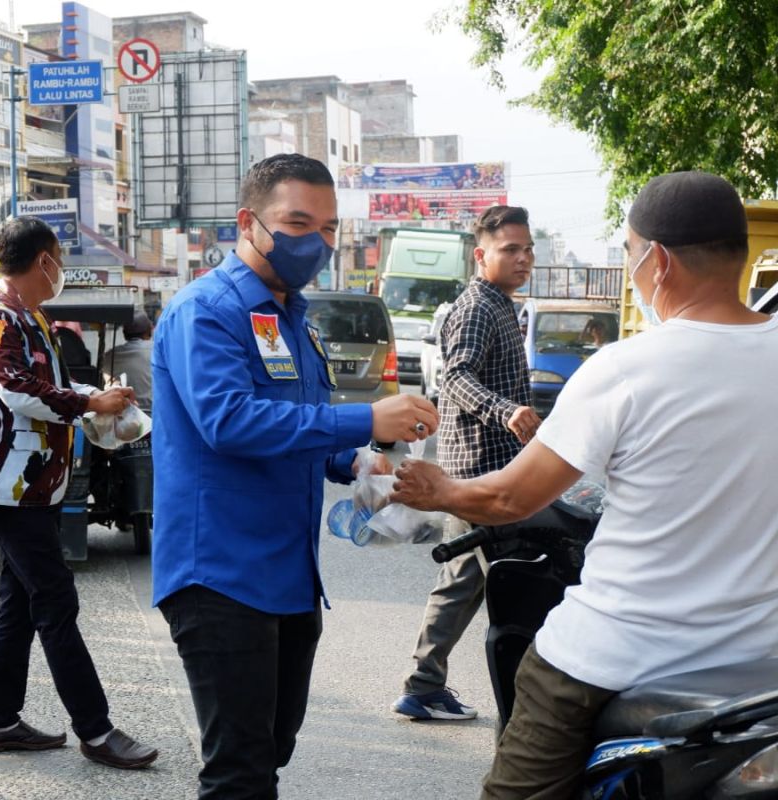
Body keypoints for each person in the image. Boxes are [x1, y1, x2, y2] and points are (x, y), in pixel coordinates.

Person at [391, 171, 778, 798]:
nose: (631, 269)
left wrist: (439, 490)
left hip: (617, 653)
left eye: (628, 253)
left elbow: (510, 498)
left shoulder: (628, 367)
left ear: (658, 260)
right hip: (757, 665)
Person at [151, 153, 439, 799]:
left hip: (286, 576)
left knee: (271, 750)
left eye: (330, 228)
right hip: (219, 573)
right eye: (299, 223)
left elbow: (295, 422)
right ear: (247, 222)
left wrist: (359, 461)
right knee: (240, 774)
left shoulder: (291, 316)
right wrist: (365, 421)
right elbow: (229, 422)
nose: (317, 243)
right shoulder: (207, 311)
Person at [0, 215, 158, 770]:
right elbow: (19, 391)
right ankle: (96, 731)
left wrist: (99, 395)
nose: (61, 271)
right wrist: (91, 405)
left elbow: (53, 388)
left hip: (31, 485)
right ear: (42, 260)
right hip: (6, 484)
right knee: (55, 599)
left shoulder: (28, 317)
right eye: (60, 261)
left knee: (19, 602)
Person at [391, 205, 542, 722]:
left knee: (466, 580)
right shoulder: (477, 308)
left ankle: (424, 683)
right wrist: (508, 411)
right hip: (480, 469)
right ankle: (519, 697)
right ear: (481, 255)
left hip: (489, 465)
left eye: (527, 250)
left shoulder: (500, 304)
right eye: (510, 250)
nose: (523, 259)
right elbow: (455, 377)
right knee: (508, 581)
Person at [104, 311, 154, 411]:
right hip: (154, 413)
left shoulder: (110, 355)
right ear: (150, 330)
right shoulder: (158, 350)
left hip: (123, 415)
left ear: (124, 333)